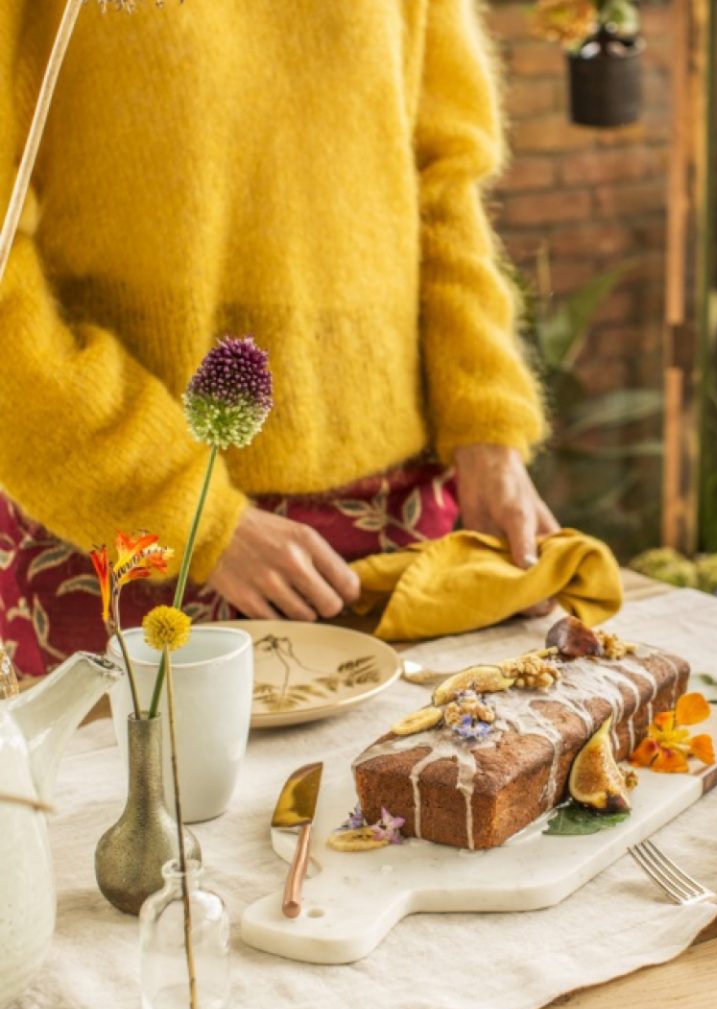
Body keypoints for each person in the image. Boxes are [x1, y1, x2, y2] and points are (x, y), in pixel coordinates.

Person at [0, 0, 558, 677]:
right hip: (126, 545)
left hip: (395, 533)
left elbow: (443, 181)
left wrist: (487, 431)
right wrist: (183, 510)